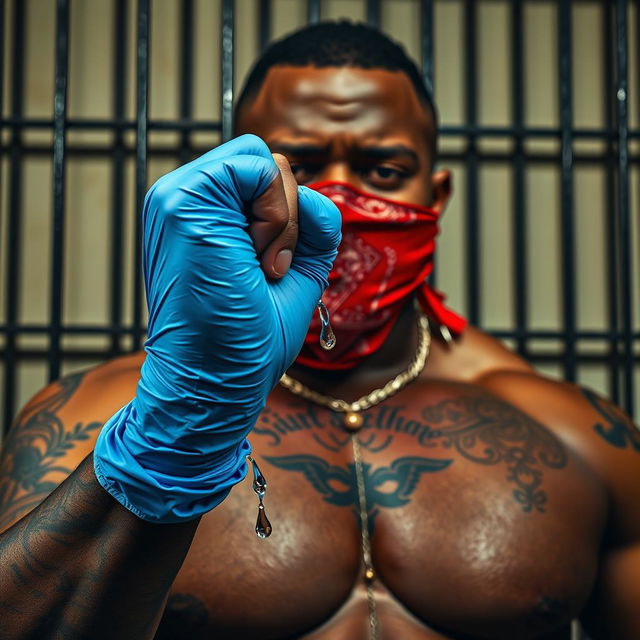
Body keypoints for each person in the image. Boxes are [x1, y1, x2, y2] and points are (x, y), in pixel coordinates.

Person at [0, 21, 638, 640]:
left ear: (436, 196)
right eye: (296, 168)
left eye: (384, 170)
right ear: (238, 188)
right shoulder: (96, 418)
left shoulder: (574, 434)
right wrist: (178, 426)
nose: (339, 202)